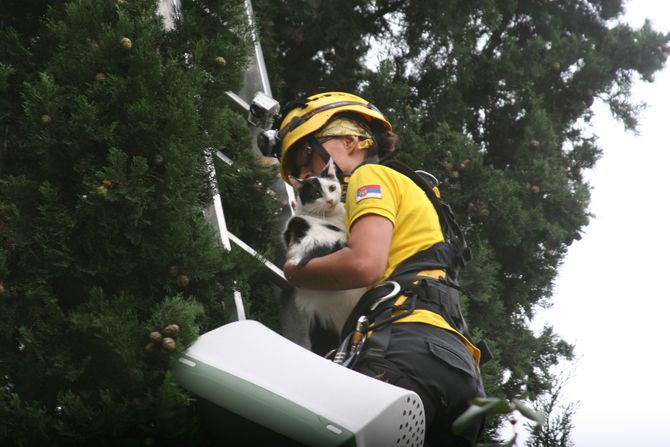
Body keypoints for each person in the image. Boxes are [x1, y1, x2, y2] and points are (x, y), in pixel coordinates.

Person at [278, 91, 485, 446]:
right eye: (298, 172)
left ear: (351, 140)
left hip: (402, 351)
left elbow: (364, 264)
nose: (304, 173)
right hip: (460, 375)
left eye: (306, 155)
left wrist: (296, 270)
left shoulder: (371, 175)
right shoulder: (415, 196)